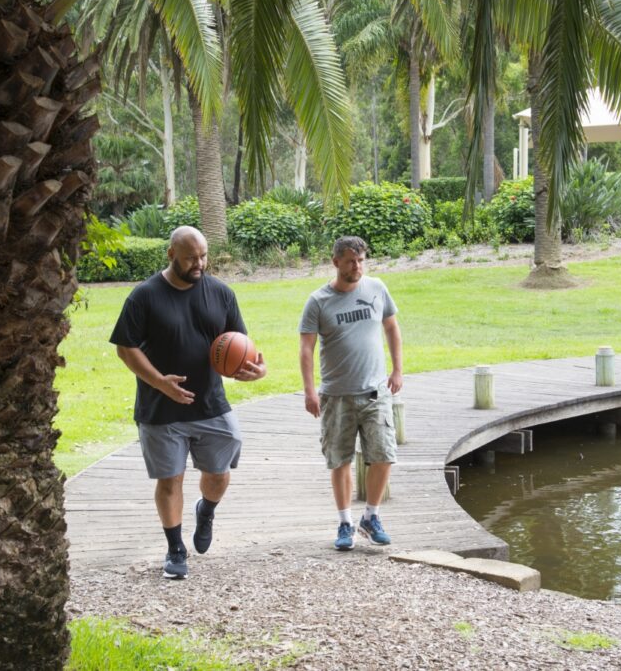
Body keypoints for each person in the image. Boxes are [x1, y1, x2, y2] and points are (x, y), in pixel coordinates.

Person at [110, 226, 266, 579]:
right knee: (170, 480)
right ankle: (175, 548)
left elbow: (242, 342)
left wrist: (257, 368)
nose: (199, 264)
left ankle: (206, 510)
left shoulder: (221, 293)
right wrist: (159, 383)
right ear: (171, 255)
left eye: (203, 256)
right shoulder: (144, 296)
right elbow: (125, 347)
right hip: (160, 409)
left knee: (219, 474)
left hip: (211, 404)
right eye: (191, 258)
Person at [299, 235, 403, 551]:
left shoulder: (377, 288)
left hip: (375, 392)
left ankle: (371, 517)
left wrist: (397, 369)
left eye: (360, 260)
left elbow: (391, 328)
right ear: (336, 263)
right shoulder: (319, 301)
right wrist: (309, 391)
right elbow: (306, 348)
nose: (356, 267)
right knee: (339, 460)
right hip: (336, 395)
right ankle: (345, 523)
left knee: (384, 455)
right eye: (349, 261)